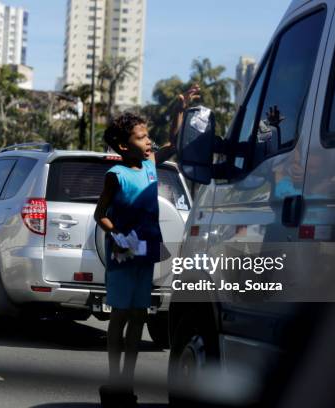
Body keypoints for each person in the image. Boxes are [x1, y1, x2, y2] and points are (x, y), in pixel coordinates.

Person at [94, 85, 200, 407]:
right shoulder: (116, 175)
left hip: (147, 250)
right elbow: (101, 214)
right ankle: (115, 381)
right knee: (121, 316)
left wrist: (180, 110)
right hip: (124, 252)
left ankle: (127, 382)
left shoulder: (152, 165)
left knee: (139, 315)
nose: (147, 141)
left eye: (146, 136)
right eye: (141, 138)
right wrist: (117, 234)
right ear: (125, 146)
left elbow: (173, 141)